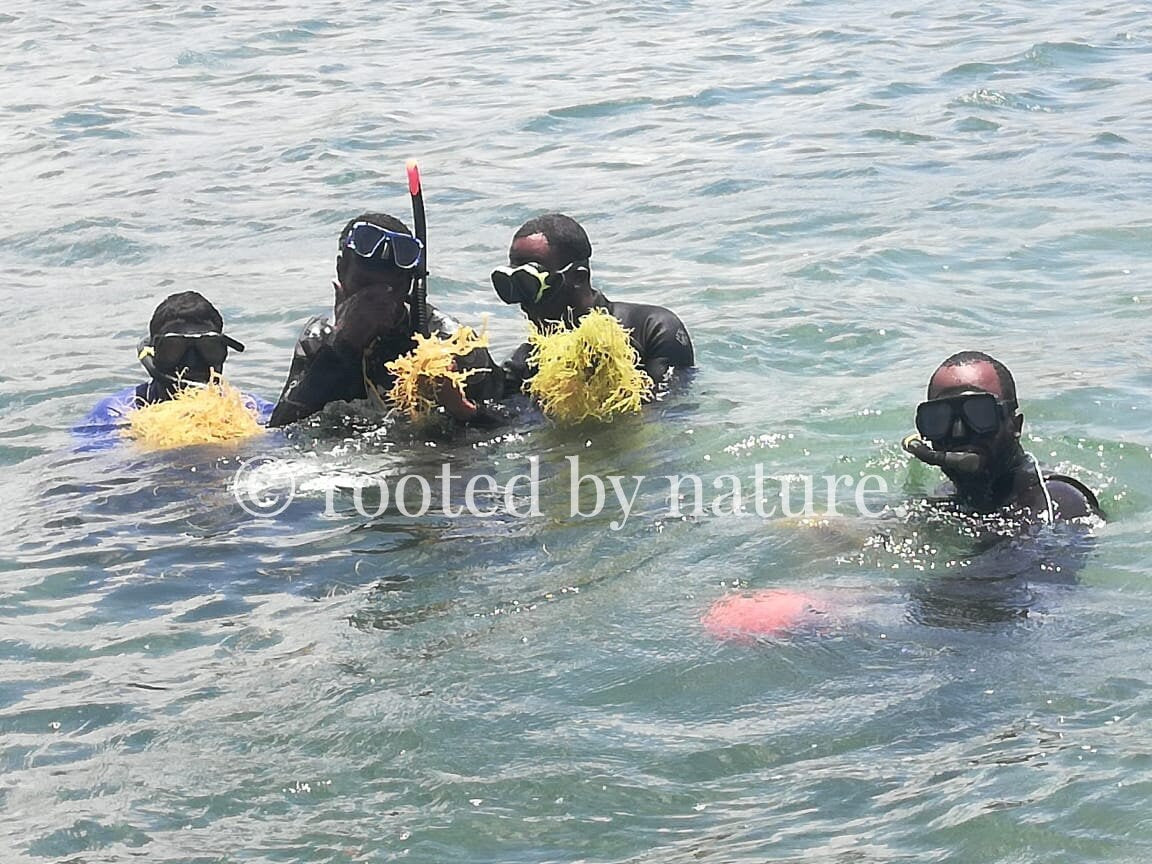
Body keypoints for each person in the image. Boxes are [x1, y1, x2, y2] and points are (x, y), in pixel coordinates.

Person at [268, 213, 500, 428]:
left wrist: (459, 407)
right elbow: (283, 426)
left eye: (391, 289)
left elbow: (510, 423)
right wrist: (343, 345)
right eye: (364, 285)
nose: (376, 301)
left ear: (409, 284)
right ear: (341, 271)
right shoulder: (319, 338)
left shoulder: (448, 340)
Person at [489, 212, 694, 395]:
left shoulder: (653, 329)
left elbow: (671, 414)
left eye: (530, 285)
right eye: (514, 287)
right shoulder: (527, 362)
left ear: (578, 278)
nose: (524, 304)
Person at [903, 351, 1100, 522]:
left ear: (1015, 425)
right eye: (939, 418)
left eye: (979, 414)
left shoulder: (1058, 501)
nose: (958, 432)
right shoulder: (947, 495)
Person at [75, 291, 272, 442]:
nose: (192, 362)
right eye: (174, 349)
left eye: (208, 348)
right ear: (154, 353)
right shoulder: (117, 412)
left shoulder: (250, 409)